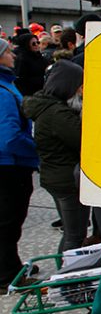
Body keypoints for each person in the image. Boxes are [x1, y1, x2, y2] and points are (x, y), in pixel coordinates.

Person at [22, 61, 89, 252]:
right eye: (79, 85)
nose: (82, 89)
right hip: (66, 179)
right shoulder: (57, 113)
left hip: (56, 176)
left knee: (73, 233)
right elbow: (82, 140)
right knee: (74, 235)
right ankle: (66, 276)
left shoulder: (49, 107)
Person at [0, 39, 39, 286]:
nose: (13, 56)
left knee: (10, 220)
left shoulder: (6, 84)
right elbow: (8, 137)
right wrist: (36, 147)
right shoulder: (3, 92)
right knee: (7, 220)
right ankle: (5, 275)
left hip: (13, 163)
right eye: (8, 52)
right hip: (9, 165)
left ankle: (11, 266)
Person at [12, 31, 47, 97]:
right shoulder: (22, 59)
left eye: (38, 42)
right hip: (30, 94)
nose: (36, 45)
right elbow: (20, 80)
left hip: (42, 92)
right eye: (33, 43)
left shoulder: (40, 57)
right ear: (26, 44)